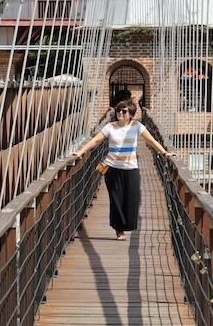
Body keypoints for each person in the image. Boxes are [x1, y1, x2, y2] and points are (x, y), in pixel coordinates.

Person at [72, 91, 178, 240]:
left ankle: (127, 225)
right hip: (112, 168)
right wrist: (80, 151)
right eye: (118, 110)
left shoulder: (137, 126)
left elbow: (152, 141)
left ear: (131, 114)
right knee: (116, 199)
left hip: (131, 168)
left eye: (124, 111)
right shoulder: (110, 127)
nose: (120, 113)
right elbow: (95, 141)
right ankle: (119, 230)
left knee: (132, 199)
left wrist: (165, 153)